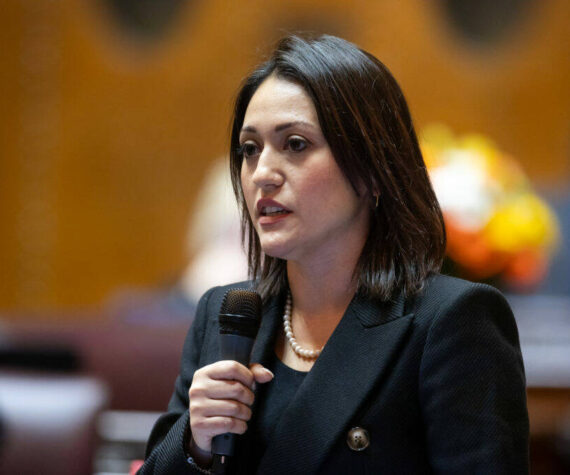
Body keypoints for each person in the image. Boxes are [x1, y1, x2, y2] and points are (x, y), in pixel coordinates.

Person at [139, 34, 529, 474]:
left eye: (296, 144)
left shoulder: (452, 322)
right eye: (250, 149)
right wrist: (198, 442)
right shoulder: (225, 314)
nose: (262, 173)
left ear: (372, 170)